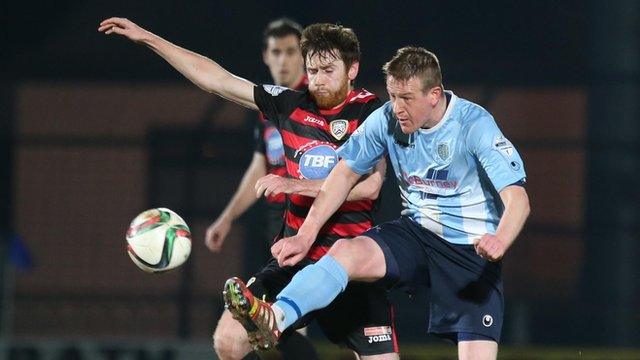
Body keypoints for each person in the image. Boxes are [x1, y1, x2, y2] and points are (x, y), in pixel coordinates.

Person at [98, 18, 395, 360]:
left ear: (352, 68)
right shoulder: (289, 104)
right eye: (312, 70)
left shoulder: (373, 112)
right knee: (228, 340)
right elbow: (217, 80)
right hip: (295, 259)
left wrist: (294, 184)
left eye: (328, 70)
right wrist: (149, 38)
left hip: (352, 265)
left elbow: (370, 186)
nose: (318, 80)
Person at [225, 47, 531, 360]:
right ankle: (275, 318)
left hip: (470, 251)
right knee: (345, 251)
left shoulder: (474, 124)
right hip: (416, 234)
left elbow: (517, 198)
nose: (397, 107)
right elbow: (342, 176)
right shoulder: (385, 119)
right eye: (392, 95)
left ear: (434, 95)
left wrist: (501, 238)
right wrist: (306, 233)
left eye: (406, 98)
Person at [201, 18, 317, 360]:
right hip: (275, 225)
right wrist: (226, 219)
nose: (283, 60)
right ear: (266, 57)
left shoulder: (317, 98)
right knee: (279, 326)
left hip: (317, 223)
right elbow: (258, 168)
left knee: (293, 322)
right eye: (276, 52)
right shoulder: (266, 108)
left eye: (291, 51)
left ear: (304, 55)